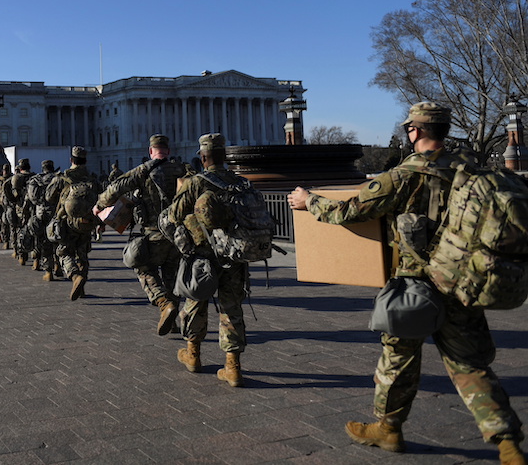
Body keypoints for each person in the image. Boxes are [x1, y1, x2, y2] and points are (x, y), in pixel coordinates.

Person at [288, 102, 525, 463]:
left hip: (415, 284)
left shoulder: (405, 175)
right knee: (469, 364)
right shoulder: (472, 170)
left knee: (397, 359)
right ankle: (507, 443)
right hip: (462, 279)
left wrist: (310, 201)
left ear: (414, 130)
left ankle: (389, 429)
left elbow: (350, 210)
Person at [167, 133, 250, 387]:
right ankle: (232, 367)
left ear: (203, 158)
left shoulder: (195, 182)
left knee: (195, 302)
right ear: (225, 157)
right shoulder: (240, 182)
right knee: (231, 309)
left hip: (203, 256)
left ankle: (193, 355)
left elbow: (173, 215)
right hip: (234, 256)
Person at [95, 134, 187, 335]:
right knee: (172, 275)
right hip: (179, 236)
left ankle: (163, 303)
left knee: (143, 266)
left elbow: (115, 188)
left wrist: (99, 206)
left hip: (154, 233)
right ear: (168, 151)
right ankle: (172, 318)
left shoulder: (144, 171)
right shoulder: (183, 170)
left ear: (150, 151)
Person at [46, 147, 102, 300]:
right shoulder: (92, 178)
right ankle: (82, 288)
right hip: (86, 222)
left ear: (71, 160)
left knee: (64, 252)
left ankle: (75, 275)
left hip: (67, 222)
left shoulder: (62, 177)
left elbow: (49, 197)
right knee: (82, 255)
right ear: (85, 160)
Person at [26, 159, 60, 280]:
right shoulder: (59, 179)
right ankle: (58, 266)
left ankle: (48, 271)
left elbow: (32, 199)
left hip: (41, 213)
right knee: (57, 240)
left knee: (44, 242)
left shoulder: (35, 180)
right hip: (56, 213)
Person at [10, 159, 35, 264]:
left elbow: (8, 188)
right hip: (33, 209)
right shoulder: (34, 177)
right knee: (34, 232)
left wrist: (13, 200)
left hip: (20, 208)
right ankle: (35, 257)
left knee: (20, 231)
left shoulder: (17, 178)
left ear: (20, 168)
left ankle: (22, 255)